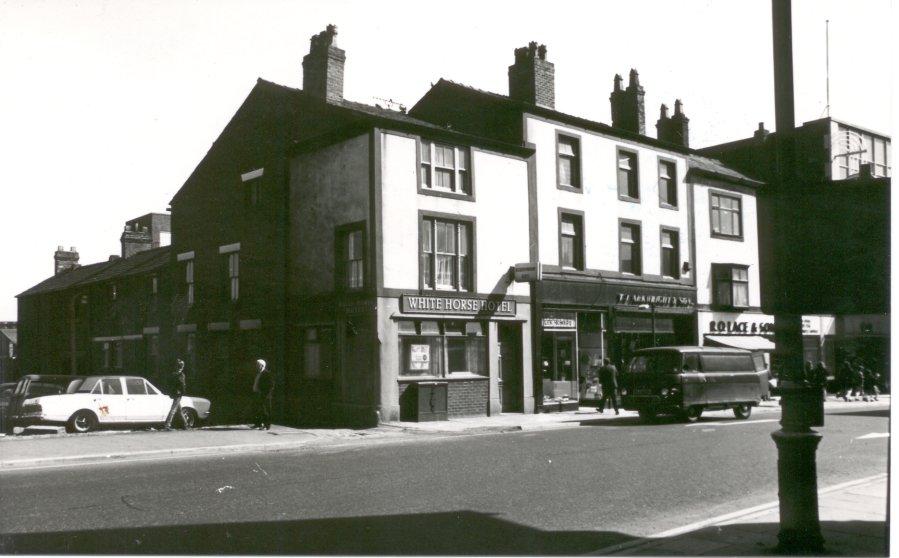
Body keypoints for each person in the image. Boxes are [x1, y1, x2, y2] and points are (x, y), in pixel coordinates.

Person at [251, 358, 274, 430]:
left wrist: (265, 393)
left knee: (265, 411)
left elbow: (271, 385)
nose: (256, 366)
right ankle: (258, 424)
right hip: (257, 394)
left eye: (257, 365)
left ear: (262, 365)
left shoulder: (267, 374)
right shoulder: (258, 373)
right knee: (258, 409)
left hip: (264, 395)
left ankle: (267, 425)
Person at [164, 358, 186, 430]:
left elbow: (169, 384)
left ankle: (185, 424)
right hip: (178, 393)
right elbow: (182, 384)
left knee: (179, 409)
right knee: (173, 409)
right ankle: (167, 424)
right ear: (182, 367)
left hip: (173, 392)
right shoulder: (181, 375)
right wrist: (183, 392)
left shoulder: (173, 374)